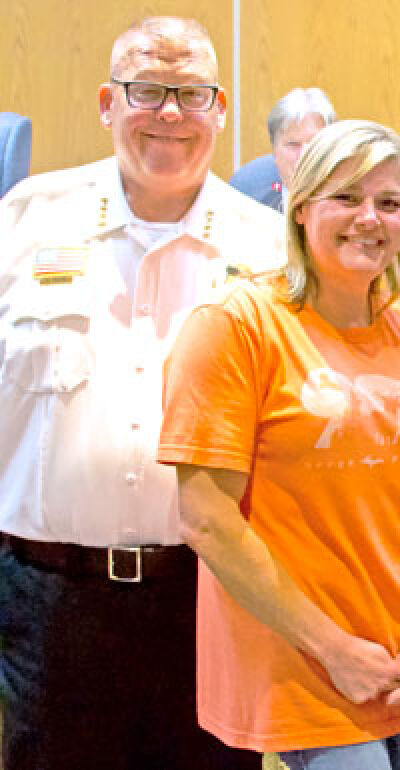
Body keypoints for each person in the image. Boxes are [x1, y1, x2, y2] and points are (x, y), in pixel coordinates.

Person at [0, 16, 281, 769]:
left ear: (220, 109)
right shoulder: (26, 221)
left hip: (209, 603)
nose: (169, 113)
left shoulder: (269, 251)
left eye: (191, 94)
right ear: (105, 103)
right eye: (147, 90)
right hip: (49, 600)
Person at [158, 119, 400, 767]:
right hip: (307, 667)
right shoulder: (235, 324)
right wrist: (335, 650)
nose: (371, 218)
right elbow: (208, 520)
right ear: (301, 208)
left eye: (390, 203)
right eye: (346, 197)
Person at [262, 86, 338, 210]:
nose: (304, 155)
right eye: (293, 144)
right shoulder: (250, 204)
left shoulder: (354, 208)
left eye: (315, 143)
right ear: (275, 152)